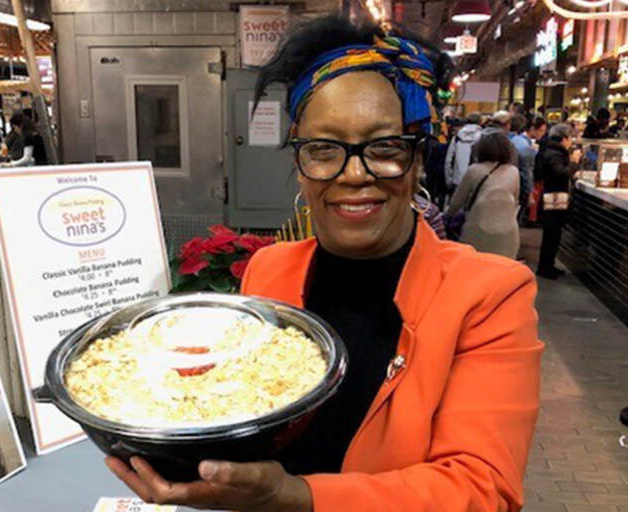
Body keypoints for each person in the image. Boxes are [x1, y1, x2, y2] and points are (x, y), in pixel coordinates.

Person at [106, 15, 542, 512]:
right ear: (300, 164)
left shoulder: (488, 294)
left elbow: (482, 490)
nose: (354, 174)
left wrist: (295, 497)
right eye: (322, 149)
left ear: (417, 159)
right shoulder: (269, 270)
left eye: (384, 148)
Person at [446, 128, 521, 258]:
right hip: (508, 233)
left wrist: (447, 217)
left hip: (477, 229)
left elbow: (456, 203)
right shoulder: (513, 172)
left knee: (476, 269)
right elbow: (515, 201)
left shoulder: (474, 170)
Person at [537, 123, 580, 279]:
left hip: (554, 196)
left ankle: (548, 266)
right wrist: (574, 162)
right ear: (564, 138)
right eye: (570, 138)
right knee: (552, 234)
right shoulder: (555, 153)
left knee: (553, 234)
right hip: (555, 197)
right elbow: (561, 173)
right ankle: (545, 268)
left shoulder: (552, 151)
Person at [444, 112, 482, 196]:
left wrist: (448, 179)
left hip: (457, 179)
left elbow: (448, 160)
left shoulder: (457, 137)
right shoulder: (483, 137)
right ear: (480, 122)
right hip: (476, 180)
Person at [508, 114, 536, 213]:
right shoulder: (523, 145)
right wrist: (529, 192)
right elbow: (526, 171)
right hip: (516, 186)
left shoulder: (495, 138)